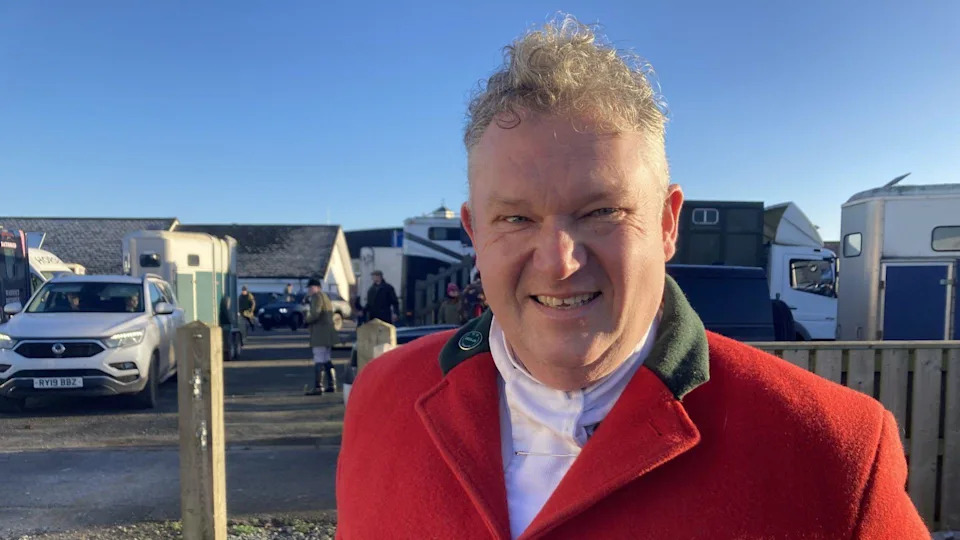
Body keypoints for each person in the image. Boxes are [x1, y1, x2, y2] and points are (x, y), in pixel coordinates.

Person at [336, 16, 928, 539]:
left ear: (667, 223)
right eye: (515, 218)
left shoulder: (833, 452)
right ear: (474, 233)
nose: (559, 262)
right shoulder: (382, 398)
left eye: (601, 212)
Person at [304, 278, 340, 395]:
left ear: (318, 287)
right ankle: (332, 384)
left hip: (320, 332)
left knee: (319, 358)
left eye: (311, 287)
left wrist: (306, 319)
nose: (309, 290)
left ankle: (318, 387)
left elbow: (315, 313)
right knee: (326, 358)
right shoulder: (325, 296)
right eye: (309, 288)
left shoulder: (317, 297)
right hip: (328, 332)